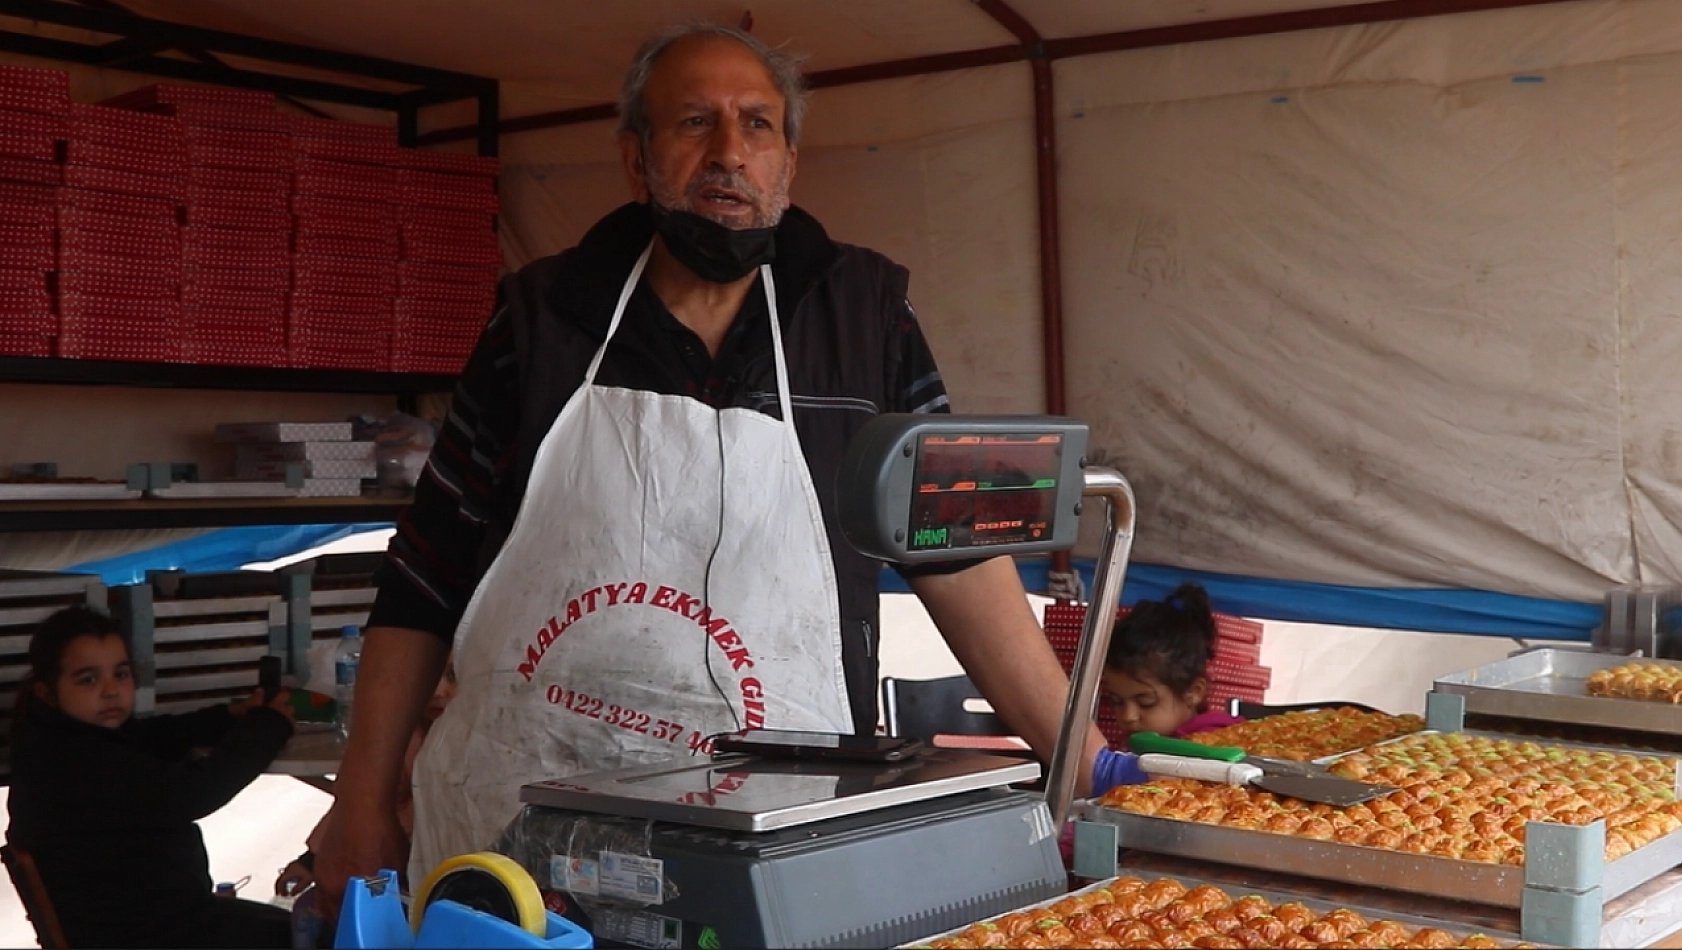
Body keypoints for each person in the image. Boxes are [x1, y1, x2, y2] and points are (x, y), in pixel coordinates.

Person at [315, 22, 1110, 906]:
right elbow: (427, 570)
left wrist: (1089, 767)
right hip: (526, 824)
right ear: (636, 157)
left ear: (789, 162)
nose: (730, 152)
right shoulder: (544, 321)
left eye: (757, 126)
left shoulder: (863, 316)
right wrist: (359, 796)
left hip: (780, 830)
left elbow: (955, 549)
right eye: (694, 123)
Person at [7, 605, 297, 948]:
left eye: (121, 674)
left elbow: (151, 735)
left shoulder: (55, 741)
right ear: (47, 691)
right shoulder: (72, 761)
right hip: (149, 935)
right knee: (314, 931)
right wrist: (270, 726)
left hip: (142, 925)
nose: (111, 690)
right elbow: (195, 792)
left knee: (298, 926)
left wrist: (228, 717)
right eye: (88, 679)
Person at [275, 658, 457, 898]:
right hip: (400, 872)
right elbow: (360, 804)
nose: (437, 691)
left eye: (454, 677)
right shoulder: (400, 738)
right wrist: (311, 860)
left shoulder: (498, 743)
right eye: (428, 677)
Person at [1089, 583, 1246, 793]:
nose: (1128, 716)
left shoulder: (1215, 749)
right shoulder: (1131, 744)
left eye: (1146, 703)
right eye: (1117, 702)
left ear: (1194, 692)